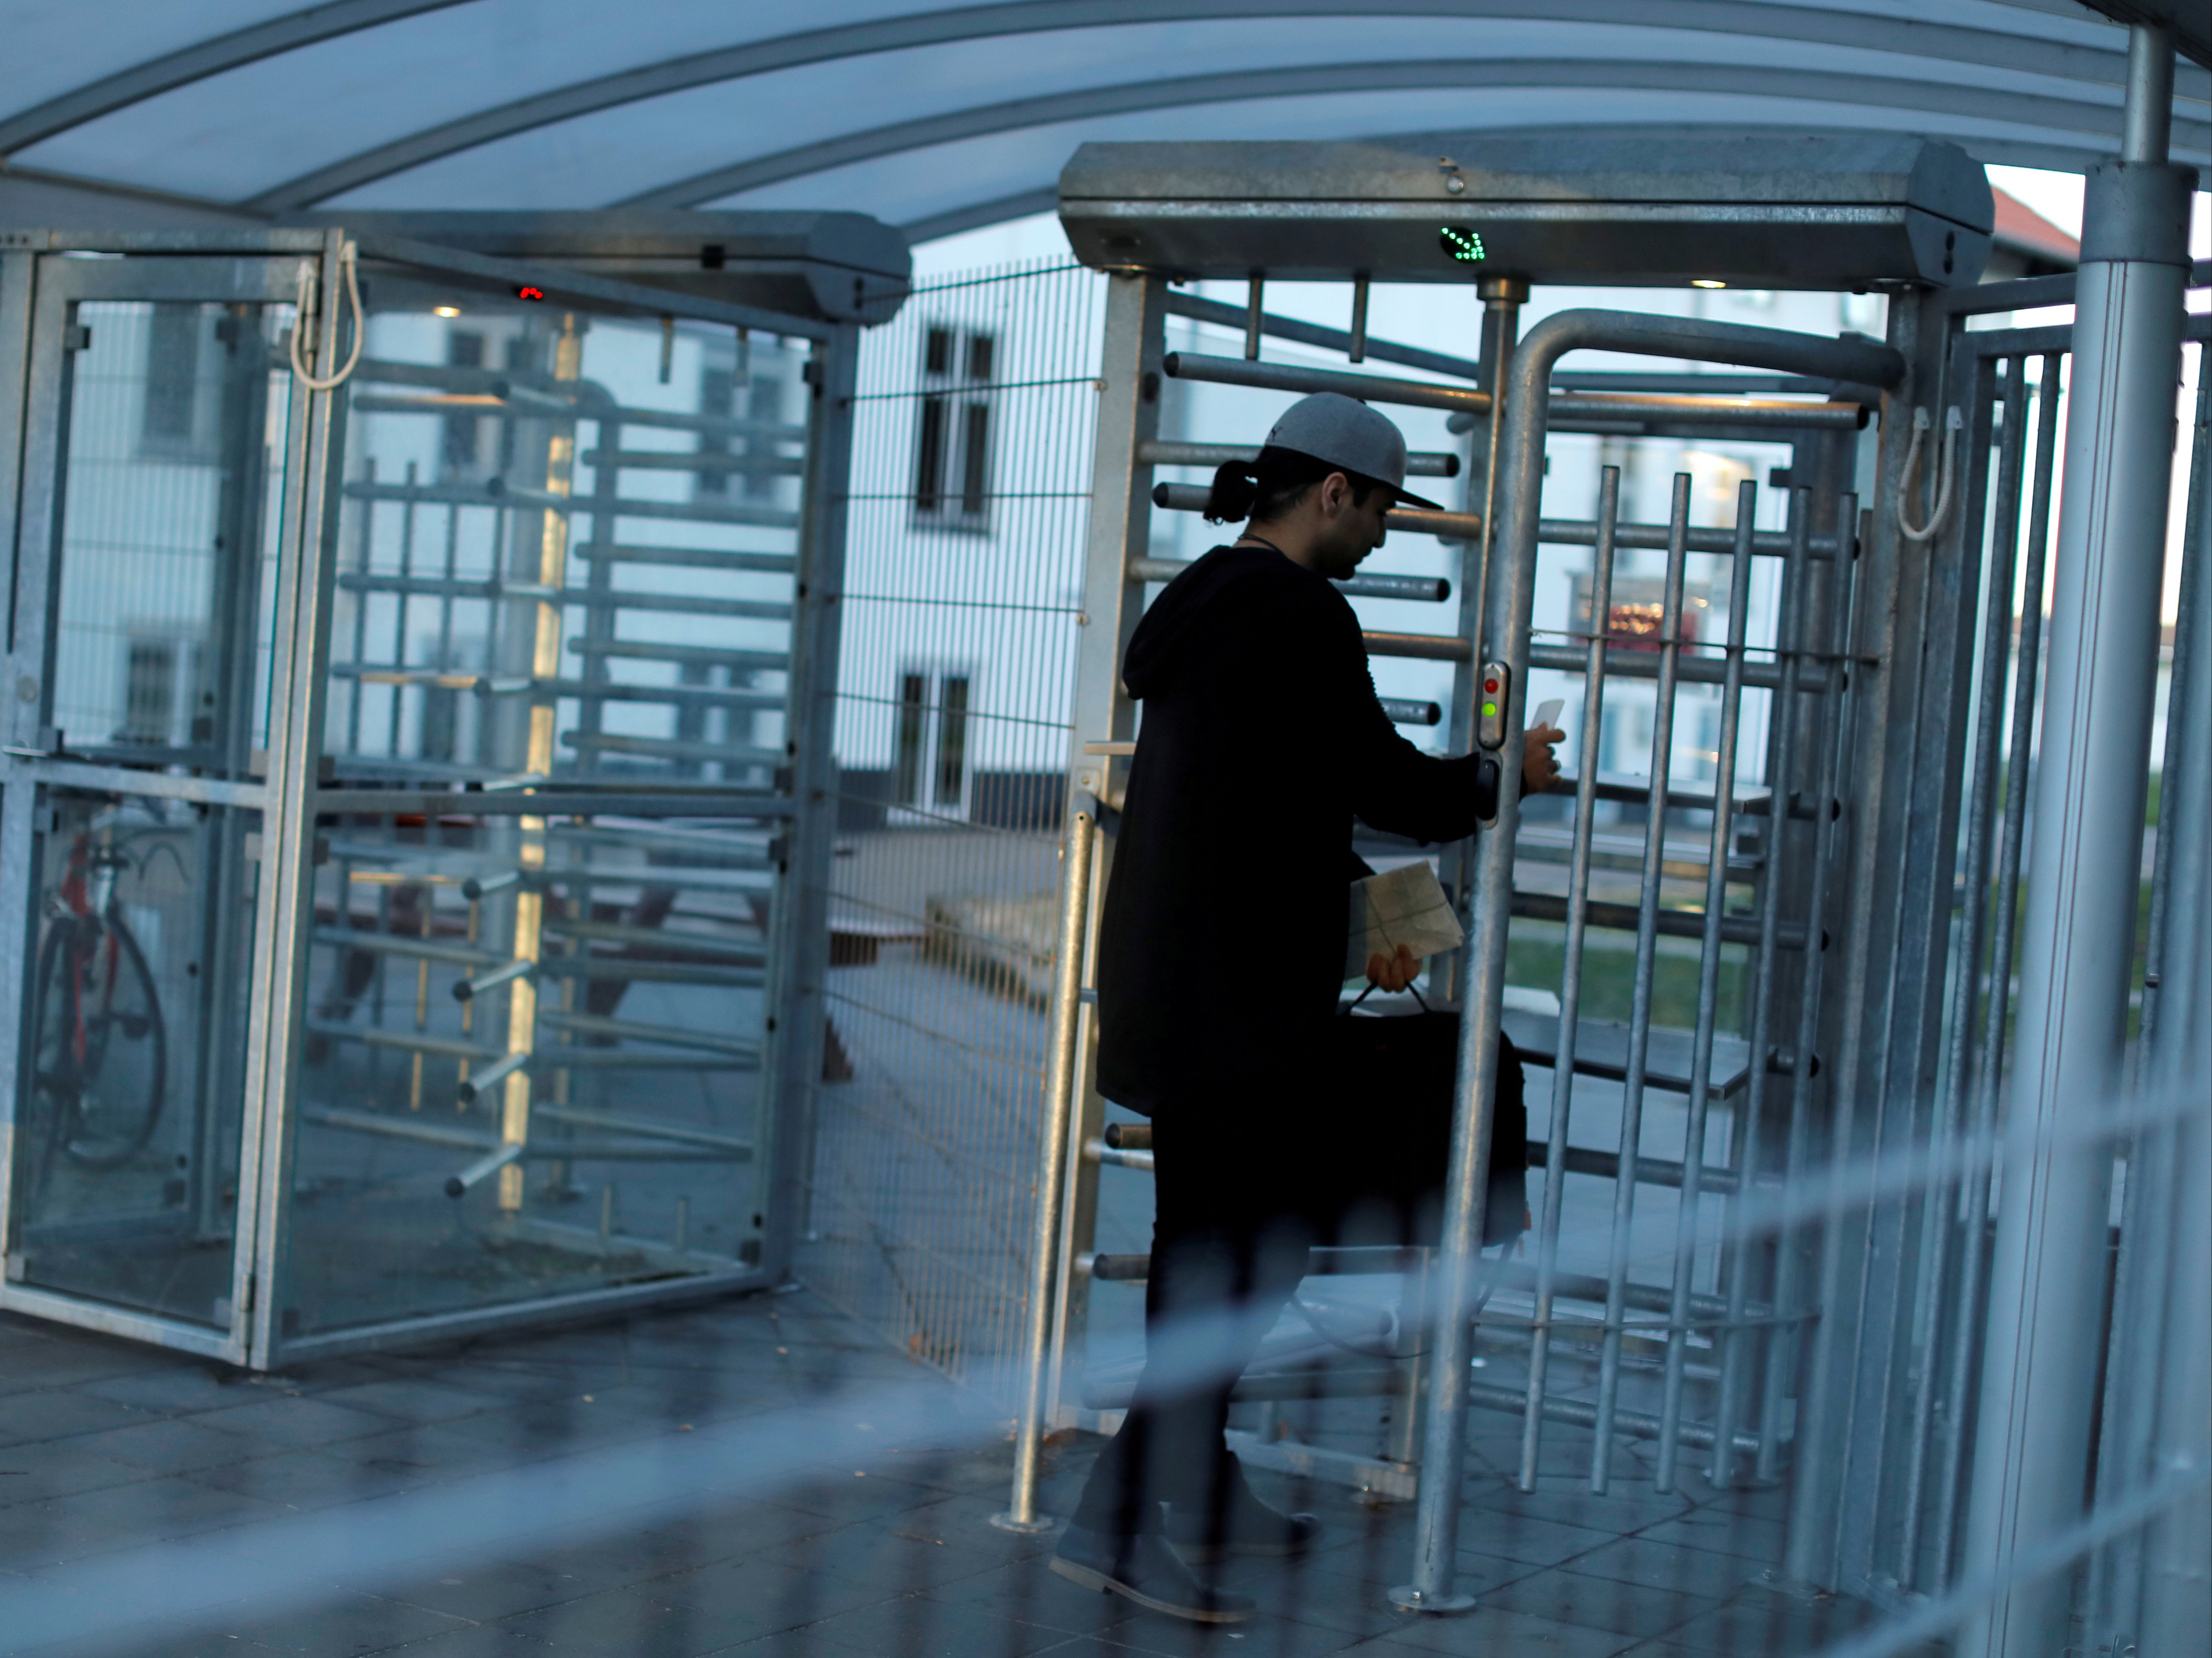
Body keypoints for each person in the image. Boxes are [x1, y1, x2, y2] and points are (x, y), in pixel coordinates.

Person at [1047, 393, 1562, 1622]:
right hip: (1241, 1021)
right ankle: (1116, 1519)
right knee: (1226, 1277)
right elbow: (1392, 783)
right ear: (1332, 492)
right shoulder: (1300, 614)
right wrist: (1506, 777)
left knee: (1219, 1261)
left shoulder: (1196, 604)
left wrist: (1367, 927)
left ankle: (1197, 1487)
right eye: (1382, 508)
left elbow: (1266, 810)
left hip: (1185, 997)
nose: (1385, 534)